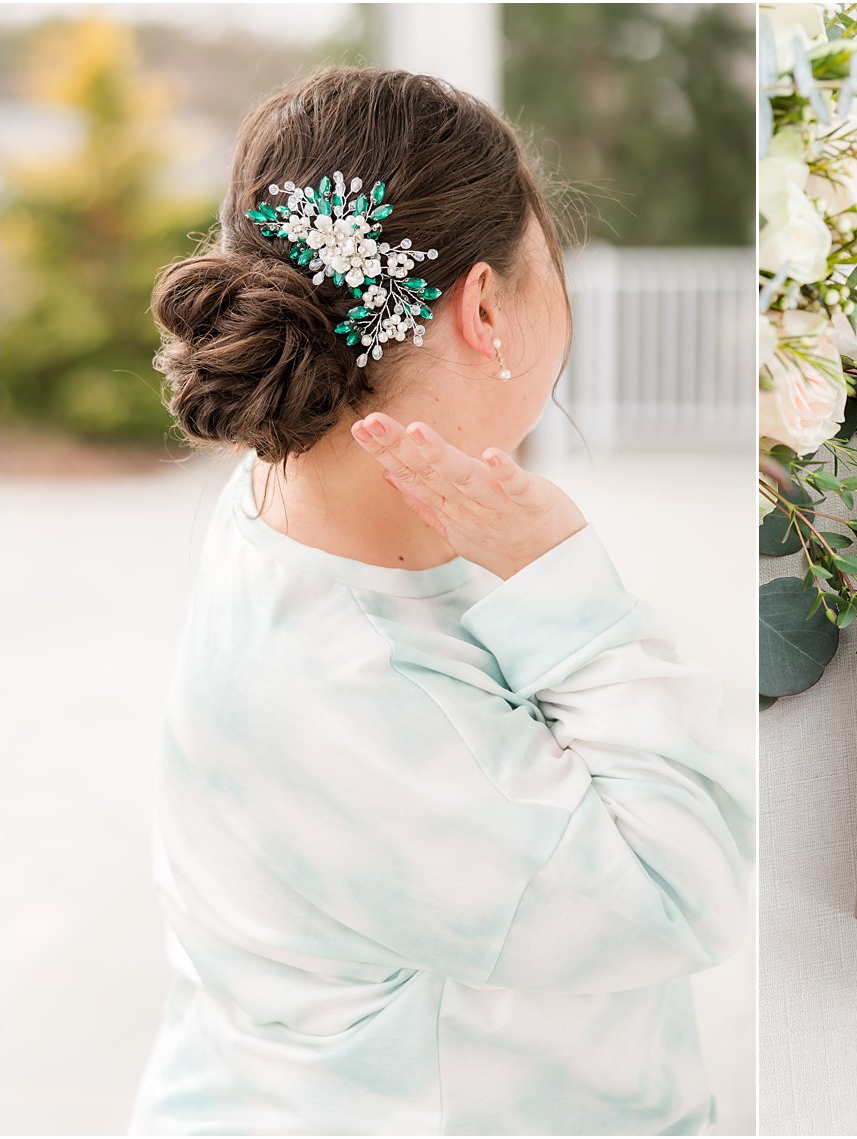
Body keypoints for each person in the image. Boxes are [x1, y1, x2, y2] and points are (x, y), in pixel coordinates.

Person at [126, 67, 753, 1136]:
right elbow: (684, 887)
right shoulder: (355, 686)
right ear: (482, 304)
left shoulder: (305, 491)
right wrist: (566, 587)